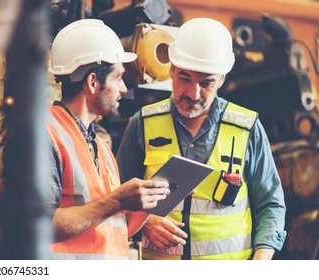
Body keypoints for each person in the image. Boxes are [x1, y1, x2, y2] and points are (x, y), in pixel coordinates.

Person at [116, 17, 287, 260]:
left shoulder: (246, 128)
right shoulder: (142, 123)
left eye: (206, 82)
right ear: (172, 70)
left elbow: (271, 204)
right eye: (185, 77)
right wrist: (144, 222)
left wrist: (260, 263)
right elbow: (115, 198)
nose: (193, 94)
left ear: (222, 80)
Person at [45, 19, 171, 260]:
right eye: (118, 77)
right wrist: (117, 200)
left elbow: (116, 228)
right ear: (93, 82)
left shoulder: (101, 147)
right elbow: (41, 226)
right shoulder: (46, 134)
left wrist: (148, 202)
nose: (124, 88)